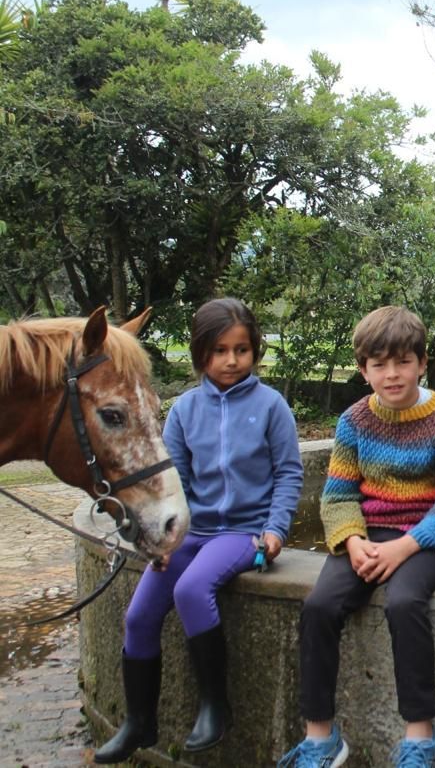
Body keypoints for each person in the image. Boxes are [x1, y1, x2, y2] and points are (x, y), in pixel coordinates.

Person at [95, 298, 303, 764]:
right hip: (194, 530)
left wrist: (275, 530)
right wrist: (162, 540)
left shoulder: (271, 407)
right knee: (139, 616)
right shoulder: (186, 409)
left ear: (254, 352)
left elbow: (289, 474)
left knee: (192, 589)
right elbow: (176, 480)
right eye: (220, 350)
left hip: (242, 533)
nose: (232, 360)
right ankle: (138, 721)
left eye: (242, 350)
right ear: (201, 353)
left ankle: (215, 704)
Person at [278, 306, 435, 768]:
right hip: (369, 533)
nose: (392, 374)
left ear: (422, 363)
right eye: (379, 364)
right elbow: (339, 494)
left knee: (406, 602)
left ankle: (420, 736)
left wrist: (405, 546)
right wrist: (352, 542)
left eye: (403, 362)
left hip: (431, 538)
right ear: (363, 369)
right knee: (320, 606)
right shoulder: (354, 421)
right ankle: (320, 736)